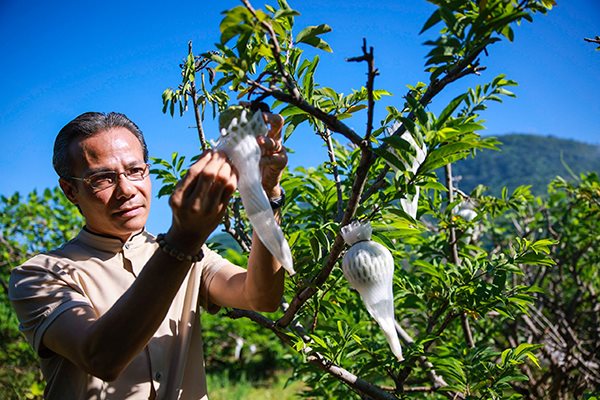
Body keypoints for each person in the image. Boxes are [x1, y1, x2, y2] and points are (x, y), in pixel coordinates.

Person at [8, 110, 288, 399]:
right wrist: (183, 241)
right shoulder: (39, 275)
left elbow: (261, 297)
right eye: (102, 178)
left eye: (135, 171)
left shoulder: (191, 255)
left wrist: (267, 197)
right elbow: (101, 357)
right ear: (70, 190)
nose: (127, 190)